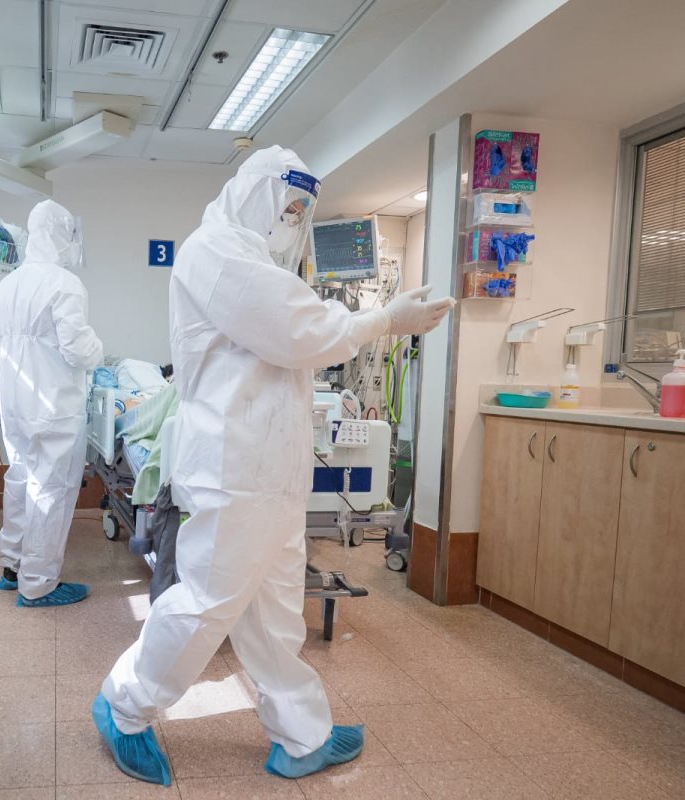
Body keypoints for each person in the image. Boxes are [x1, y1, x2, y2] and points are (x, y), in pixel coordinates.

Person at [92, 146, 455, 784]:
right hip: (233, 469)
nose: (292, 221)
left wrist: (373, 324)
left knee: (276, 610)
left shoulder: (256, 260)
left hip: (272, 473)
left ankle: (300, 734)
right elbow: (297, 332)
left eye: (299, 213)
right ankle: (123, 706)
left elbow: (292, 343)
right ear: (255, 196)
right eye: (286, 208)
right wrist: (385, 320)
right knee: (207, 603)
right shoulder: (215, 251)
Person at [0, 199, 104, 607]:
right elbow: (77, 348)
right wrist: (100, 351)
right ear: (60, 235)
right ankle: (38, 584)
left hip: (16, 405)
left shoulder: (4, 288)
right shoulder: (64, 284)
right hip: (55, 406)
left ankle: (12, 566)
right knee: (51, 490)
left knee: (20, 479)